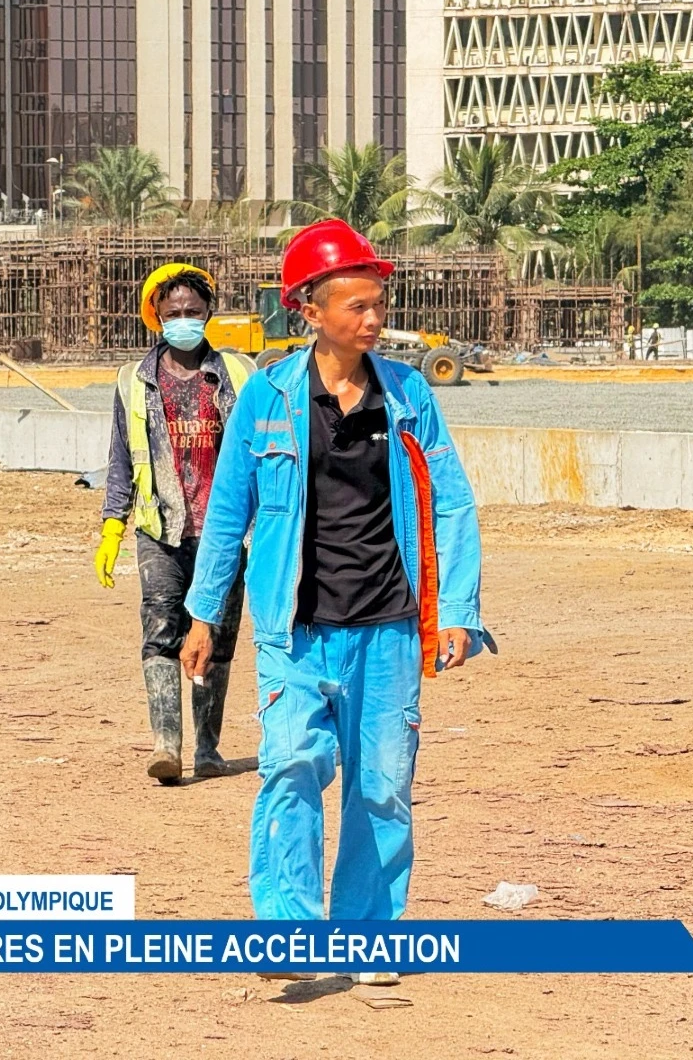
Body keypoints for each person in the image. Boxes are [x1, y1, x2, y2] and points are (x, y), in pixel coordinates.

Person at [181, 220, 494, 981]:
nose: (374, 319)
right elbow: (228, 511)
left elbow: (452, 504)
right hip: (297, 630)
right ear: (310, 312)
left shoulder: (410, 394)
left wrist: (457, 608)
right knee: (291, 767)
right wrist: (203, 612)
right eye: (356, 306)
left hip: (389, 628)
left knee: (382, 788)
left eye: (378, 304)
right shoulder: (268, 398)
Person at [96, 264, 256, 784]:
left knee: (219, 638)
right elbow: (122, 458)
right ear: (156, 318)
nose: (183, 320)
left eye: (192, 312)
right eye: (173, 313)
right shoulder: (133, 380)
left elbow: (262, 449)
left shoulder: (238, 373)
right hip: (159, 529)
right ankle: (167, 747)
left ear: (208, 312)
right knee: (160, 633)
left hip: (225, 532)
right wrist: (111, 527)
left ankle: (208, 750)